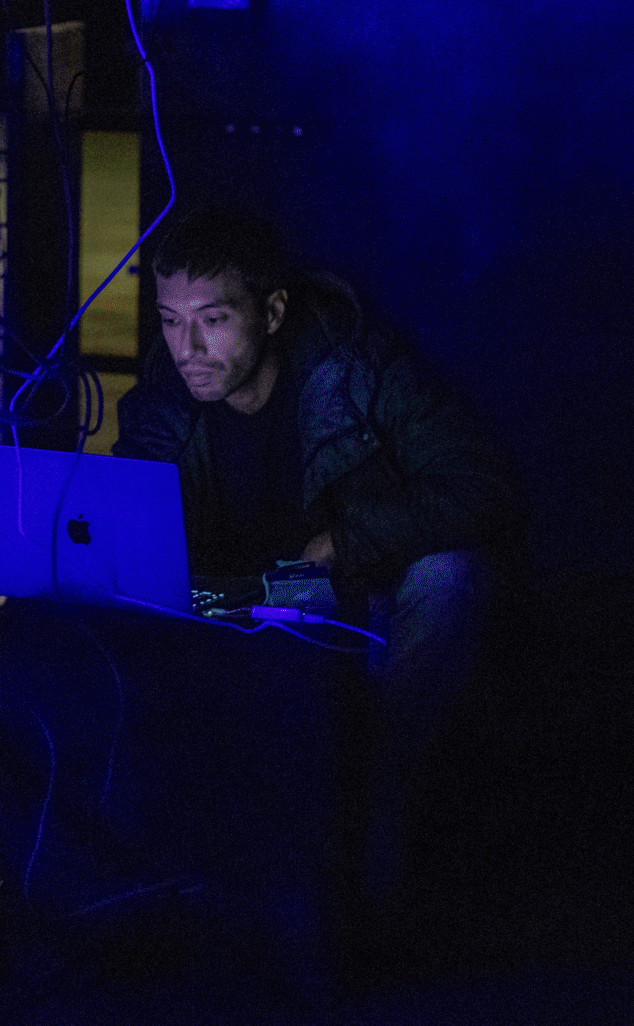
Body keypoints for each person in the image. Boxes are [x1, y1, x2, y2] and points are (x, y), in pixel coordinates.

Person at [111, 206, 517, 930]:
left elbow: (480, 484)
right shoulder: (168, 396)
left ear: (271, 312)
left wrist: (348, 542)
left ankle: (379, 820)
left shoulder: (355, 366)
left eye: (212, 319)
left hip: (357, 599)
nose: (187, 346)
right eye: (170, 320)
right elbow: (129, 530)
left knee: (450, 578)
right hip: (233, 608)